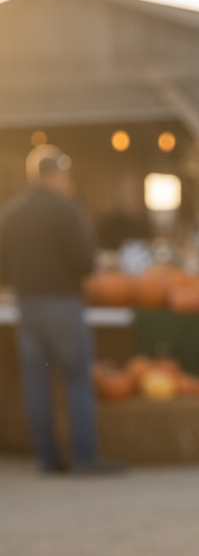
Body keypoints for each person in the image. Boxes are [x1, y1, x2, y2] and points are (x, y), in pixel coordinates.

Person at [0, 146, 120, 474]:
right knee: (77, 378)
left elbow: (3, 267)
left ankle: (47, 457)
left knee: (36, 382)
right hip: (63, 305)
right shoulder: (67, 211)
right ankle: (85, 455)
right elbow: (85, 261)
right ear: (57, 176)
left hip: (27, 306)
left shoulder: (11, 212)